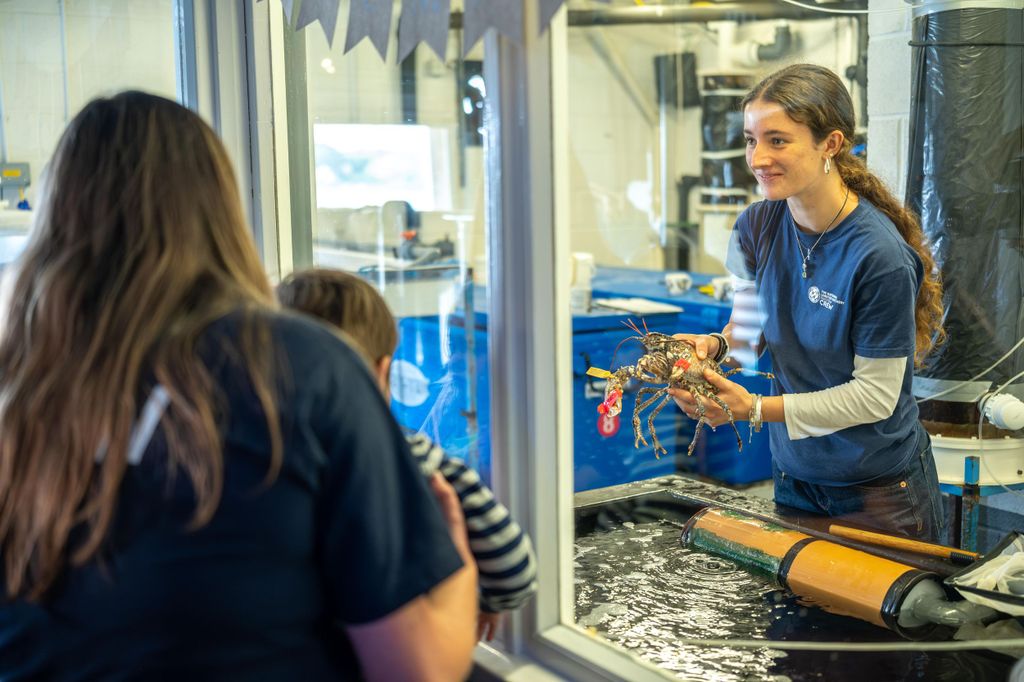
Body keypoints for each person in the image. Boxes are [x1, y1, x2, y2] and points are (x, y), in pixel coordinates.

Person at [0, 91, 477, 680]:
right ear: (219, 212)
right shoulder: (302, 367)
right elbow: (417, 671)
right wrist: (458, 571)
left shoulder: (17, 392)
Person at [669, 64, 947, 543]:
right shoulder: (756, 226)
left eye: (778, 140)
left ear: (830, 144)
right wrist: (711, 349)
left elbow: (875, 397)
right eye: (751, 139)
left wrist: (754, 407)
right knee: (802, 617)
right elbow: (750, 332)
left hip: (878, 490)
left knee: (881, 617)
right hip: (796, 475)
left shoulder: (878, 257)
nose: (758, 158)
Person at [277, 268, 538, 642]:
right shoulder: (410, 455)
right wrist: (491, 601)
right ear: (383, 370)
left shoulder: (254, 454)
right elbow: (513, 566)